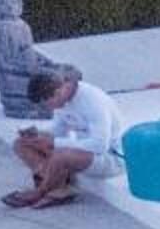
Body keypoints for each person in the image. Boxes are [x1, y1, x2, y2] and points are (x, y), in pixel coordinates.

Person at [7, 67, 120, 210]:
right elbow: (58, 131)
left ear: (58, 92)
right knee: (21, 144)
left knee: (60, 155)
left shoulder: (93, 101)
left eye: (46, 103)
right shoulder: (62, 101)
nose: (48, 108)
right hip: (82, 153)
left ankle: (40, 191)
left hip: (109, 157)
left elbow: (100, 145)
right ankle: (59, 186)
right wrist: (37, 135)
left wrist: (55, 143)